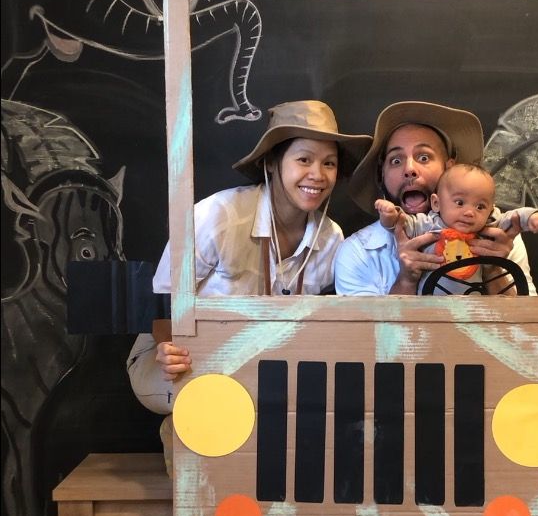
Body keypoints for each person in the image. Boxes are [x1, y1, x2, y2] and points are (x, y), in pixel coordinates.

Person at [127, 100, 371, 422]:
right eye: (304, 159)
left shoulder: (331, 239)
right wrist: (170, 349)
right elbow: (160, 305)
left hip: (265, 361)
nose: (318, 175)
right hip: (178, 350)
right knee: (215, 402)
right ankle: (180, 436)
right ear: (272, 162)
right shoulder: (219, 216)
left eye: (329, 163)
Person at [334, 101, 537, 296]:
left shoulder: (499, 235)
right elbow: (364, 331)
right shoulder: (359, 251)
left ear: (449, 167)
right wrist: (406, 280)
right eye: (396, 160)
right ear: (382, 176)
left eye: (424, 157)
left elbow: (529, 325)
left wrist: (494, 271)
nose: (410, 169)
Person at [375, 162, 538, 294]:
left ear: (490, 209)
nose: (469, 212)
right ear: (436, 203)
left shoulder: (489, 228)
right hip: (430, 312)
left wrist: (533, 216)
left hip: (476, 312)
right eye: (459, 203)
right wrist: (390, 214)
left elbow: (514, 217)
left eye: (480, 207)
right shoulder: (429, 224)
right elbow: (401, 223)